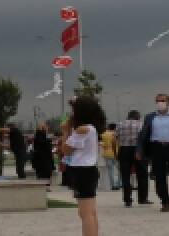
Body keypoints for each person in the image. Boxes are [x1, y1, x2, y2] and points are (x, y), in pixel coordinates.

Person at [136, 93, 169, 212]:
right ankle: (165, 201)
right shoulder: (149, 117)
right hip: (156, 148)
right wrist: (139, 150)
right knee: (159, 176)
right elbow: (143, 135)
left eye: (163, 100)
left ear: (168, 102)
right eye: (158, 101)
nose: (160, 103)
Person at [60, 96, 105, 236]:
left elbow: (65, 150)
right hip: (86, 171)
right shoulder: (90, 128)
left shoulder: (83, 130)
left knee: (86, 213)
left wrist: (65, 132)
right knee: (89, 212)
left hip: (82, 172)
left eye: (74, 109)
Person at [116, 110, 149, 206]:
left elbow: (116, 137)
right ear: (138, 116)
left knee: (125, 175)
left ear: (128, 116)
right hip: (138, 150)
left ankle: (127, 199)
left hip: (124, 150)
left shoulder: (120, 124)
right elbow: (145, 138)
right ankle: (142, 198)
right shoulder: (141, 124)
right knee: (142, 175)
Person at [100, 122, 121, 191]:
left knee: (110, 170)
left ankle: (112, 185)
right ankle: (119, 183)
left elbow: (104, 144)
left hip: (107, 154)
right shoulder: (117, 135)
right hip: (116, 153)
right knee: (120, 169)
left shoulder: (103, 135)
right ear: (115, 128)